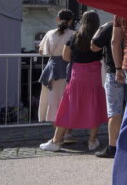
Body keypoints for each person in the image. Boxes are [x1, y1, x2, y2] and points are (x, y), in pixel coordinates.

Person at [40, 11, 107, 152]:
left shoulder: (74, 36)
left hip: (77, 75)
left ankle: (56, 141)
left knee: (67, 107)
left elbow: (65, 56)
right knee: (93, 106)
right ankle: (92, 141)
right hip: (94, 77)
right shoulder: (99, 37)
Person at [91, 19, 125, 158]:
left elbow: (94, 46)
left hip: (114, 71)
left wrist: (100, 30)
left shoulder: (110, 26)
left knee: (114, 111)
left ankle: (113, 147)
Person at [38, 10, 74, 125]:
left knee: (52, 101)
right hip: (69, 68)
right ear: (71, 21)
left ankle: (57, 134)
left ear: (57, 19)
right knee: (67, 100)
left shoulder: (49, 33)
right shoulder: (74, 34)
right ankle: (66, 132)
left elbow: (41, 51)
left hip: (52, 69)